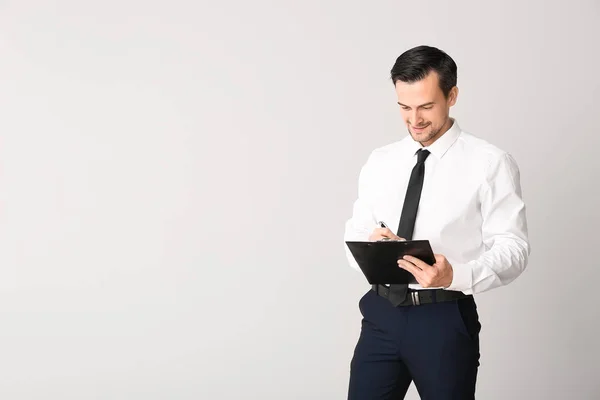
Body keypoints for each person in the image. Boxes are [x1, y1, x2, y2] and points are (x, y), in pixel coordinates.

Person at [343, 45, 530, 399]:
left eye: (426, 106)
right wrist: (370, 247)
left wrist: (454, 275)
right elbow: (354, 234)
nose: (415, 119)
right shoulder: (381, 161)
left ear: (452, 95)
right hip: (381, 316)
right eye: (404, 107)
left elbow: (514, 248)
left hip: (442, 319)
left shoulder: (490, 163)